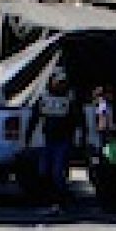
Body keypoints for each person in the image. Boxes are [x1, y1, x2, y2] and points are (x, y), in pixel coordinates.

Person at [23, 71, 80, 211]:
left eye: (63, 82)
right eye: (58, 82)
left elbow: (76, 121)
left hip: (62, 141)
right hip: (46, 140)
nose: (61, 85)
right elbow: (34, 119)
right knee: (44, 171)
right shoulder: (44, 99)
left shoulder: (69, 101)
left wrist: (77, 139)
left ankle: (61, 200)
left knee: (57, 172)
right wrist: (27, 138)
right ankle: (49, 199)